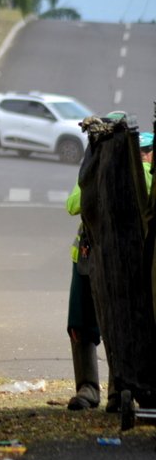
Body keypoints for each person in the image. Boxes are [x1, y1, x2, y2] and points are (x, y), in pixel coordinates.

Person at [64, 119, 152, 411]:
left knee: (122, 322)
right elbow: (74, 203)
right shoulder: (92, 172)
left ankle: (120, 388)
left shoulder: (147, 175)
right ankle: (87, 388)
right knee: (80, 325)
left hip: (128, 264)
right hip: (88, 260)